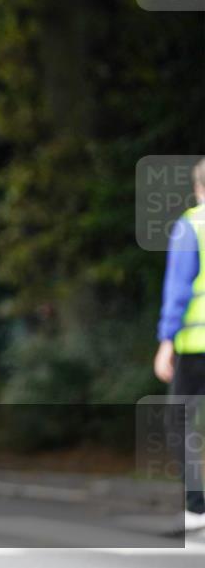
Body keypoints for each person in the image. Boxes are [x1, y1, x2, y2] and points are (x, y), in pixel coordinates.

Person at [154, 157, 205, 533]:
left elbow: (179, 287)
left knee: (179, 423)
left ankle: (197, 508)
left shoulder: (192, 226)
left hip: (195, 346)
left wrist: (166, 339)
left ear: (197, 187)